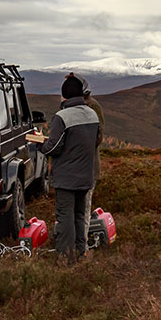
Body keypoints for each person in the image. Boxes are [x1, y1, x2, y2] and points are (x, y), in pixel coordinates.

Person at [40, 74, 101, 263]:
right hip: (85, 175)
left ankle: (66, 257)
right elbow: (96, 141)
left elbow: (54, 147)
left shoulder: (62, 117)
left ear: (63, 96)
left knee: (65, 217)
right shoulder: (92, 114)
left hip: (66, 177)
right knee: (80, 215)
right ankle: (81, 252)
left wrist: (41, 145)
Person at [75, 73, 105, 227]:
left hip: (88, 165)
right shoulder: (75, 105)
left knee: (84, 209)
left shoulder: (92, 106)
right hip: (76, 167)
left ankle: (82, 245)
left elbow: (98, 136)